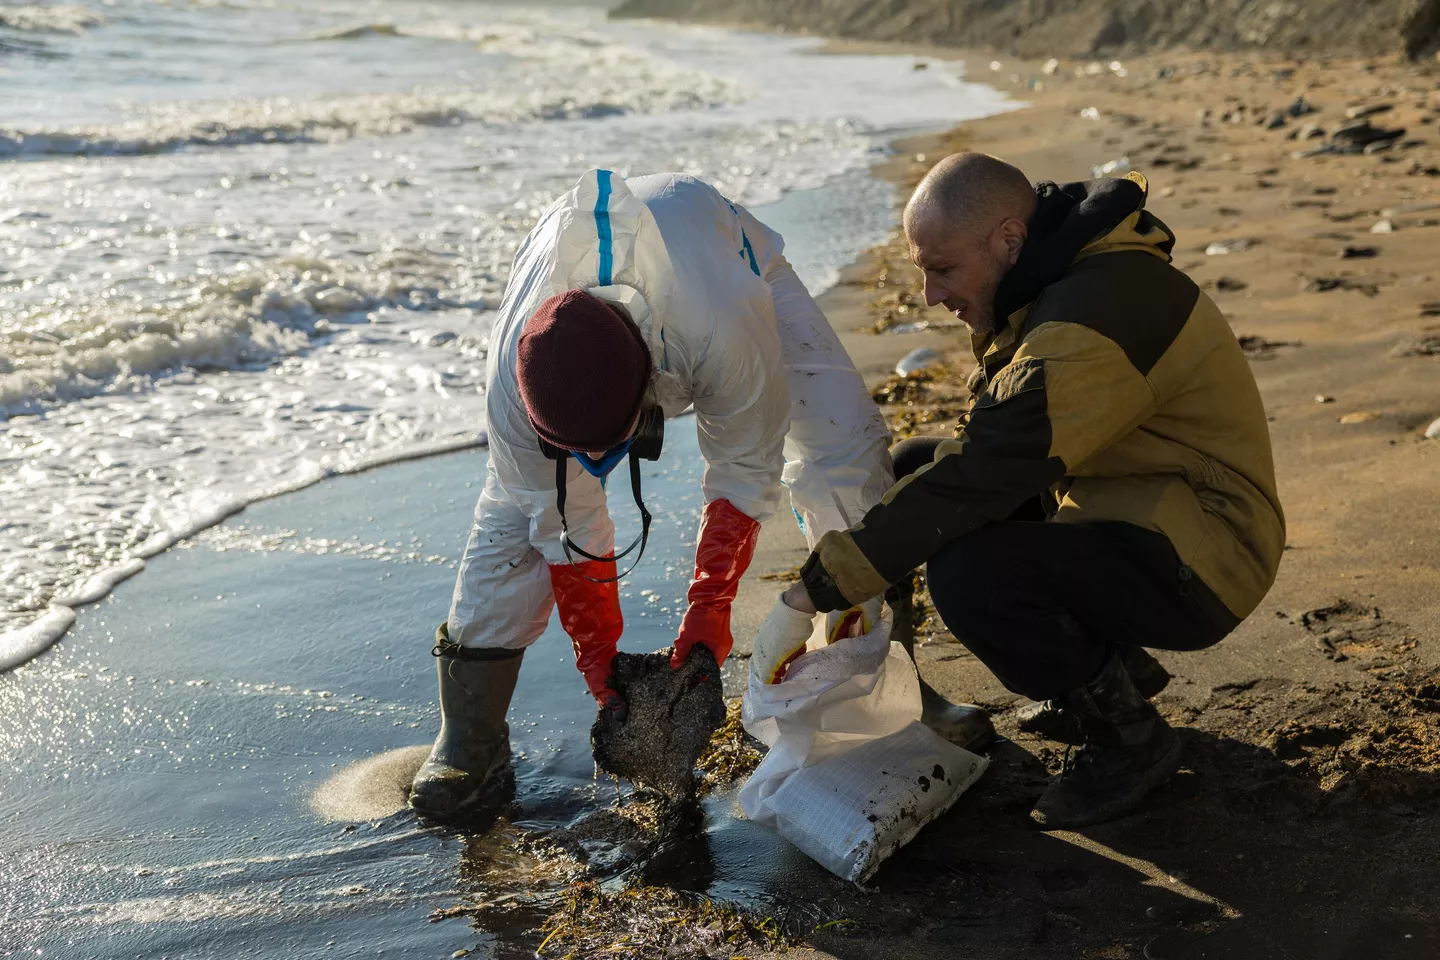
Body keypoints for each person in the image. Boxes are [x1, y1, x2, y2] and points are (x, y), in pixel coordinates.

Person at [409, 170, 990, 818]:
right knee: (514, 522)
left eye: (609, 445)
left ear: (652, 391)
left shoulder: (721, 328)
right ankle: (470, 739)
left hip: (719, 251)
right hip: (574, 295)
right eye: (575, 451)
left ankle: (893, 684)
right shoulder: (511, 394)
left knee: (845, 457)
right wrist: (602, 665)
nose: (594, 465)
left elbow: (744, 467)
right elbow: (560, 525)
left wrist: (709, 606)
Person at [775, 153, 1285, 829]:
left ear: (1009, 240)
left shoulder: (1088, 319)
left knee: (972, 573)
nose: (930, 294)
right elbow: (990, 455)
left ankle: (1129, 739)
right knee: (918, 466)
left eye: (943, 269)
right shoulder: (1062, 279)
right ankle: (1108, 670)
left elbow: (988, 471)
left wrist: (822, 584)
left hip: (1213, 554)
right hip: (1141, 502)